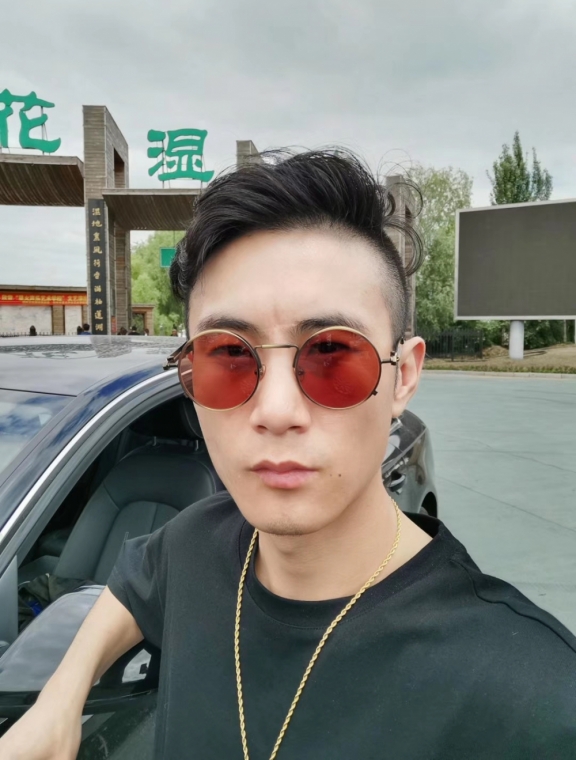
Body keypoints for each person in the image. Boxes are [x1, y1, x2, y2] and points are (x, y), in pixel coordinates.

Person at [1, 150, 575, 759]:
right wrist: (60, 699)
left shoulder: (530, 701)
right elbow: (129, 586)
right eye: (229, 354)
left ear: (403, 376)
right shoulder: (194, 542)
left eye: (332, 353)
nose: (276, 411)